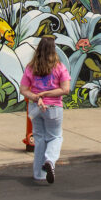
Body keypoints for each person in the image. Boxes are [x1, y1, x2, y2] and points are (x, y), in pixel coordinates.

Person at [19, 36, 70, 184]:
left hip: (35, 107)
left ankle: (38, 173)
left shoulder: (31, 67)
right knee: (55, 137)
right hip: (53, 108)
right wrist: (46, 94)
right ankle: (50, 160)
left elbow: (23, 89)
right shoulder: (60, 67)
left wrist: (37, 97)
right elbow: (65, 89)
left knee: (39, 138)